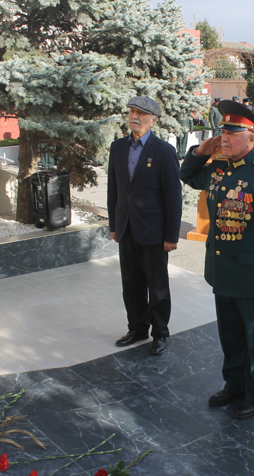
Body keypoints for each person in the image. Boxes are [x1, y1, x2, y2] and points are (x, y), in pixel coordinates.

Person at [179, 100, 254, 420]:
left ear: (252, 137)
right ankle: (234, 384)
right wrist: (201, 151)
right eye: (222, 131)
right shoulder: (216, 167)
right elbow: (187, 175)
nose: (224, 138)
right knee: (230, 335)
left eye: (232, 132)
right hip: (223, 271)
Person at [107, 96, 183, 354]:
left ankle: (160, 333)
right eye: (131, 111)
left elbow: (173, 197)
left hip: (153, 232)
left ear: (153, 120)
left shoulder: (163, 151)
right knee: (131, 284)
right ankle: (137, 329)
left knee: (157, 286)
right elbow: (114, 191)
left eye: (140, 113)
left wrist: (171, 235)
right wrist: (114, 225)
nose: (134, 117)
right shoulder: (117, 148)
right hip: (127, 228)